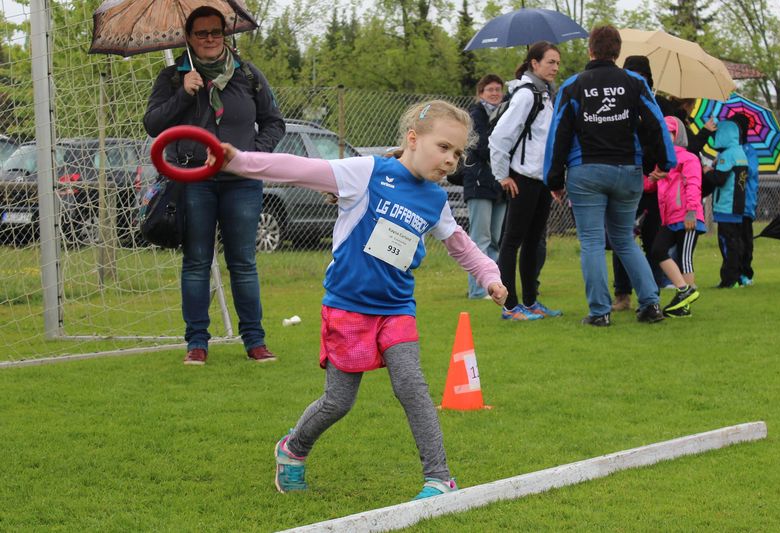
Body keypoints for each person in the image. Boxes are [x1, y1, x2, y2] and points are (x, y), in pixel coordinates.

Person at [206, 100, 509, 499]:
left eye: (457, 152)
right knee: (338, 401)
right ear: (413, 139)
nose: (451, 160)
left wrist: (489, 276)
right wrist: (239, 161)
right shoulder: (368, 173)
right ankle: (293, 449)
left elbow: (461, 245)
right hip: (347, 308)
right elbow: (299, 169)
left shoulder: (435, 200)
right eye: (443, 147)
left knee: (412, 387)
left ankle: (439, 479)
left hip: (397, 309)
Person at [143, 6, 286, 365]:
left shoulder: (248, 74)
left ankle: (255, 341)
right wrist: (183, 94)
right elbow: (153, 124)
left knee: (243, 262)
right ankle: (197, 343)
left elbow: (274, 122)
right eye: (202, 33)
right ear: (189, 38)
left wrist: (251, 155)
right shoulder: (174, 77)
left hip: (241, 182)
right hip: (193, 182)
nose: (210, 39)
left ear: (225, 34)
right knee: (196, 262)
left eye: (216, 32)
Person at [544, 25, 676, 326]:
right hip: (628, 171)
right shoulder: (635, 82)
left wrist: (554, 179)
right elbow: (656, 123)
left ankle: (600, 312)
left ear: (590, 50)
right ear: (618, 52)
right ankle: (650, 305)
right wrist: (665, 162)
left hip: (586, 171)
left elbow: (558, 134)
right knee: (625, 240)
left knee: (592, 242)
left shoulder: (573, 85)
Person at [489, 41, 563, 321]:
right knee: (512, 242)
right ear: (534, 63)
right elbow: (499, 137)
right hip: (522, 178)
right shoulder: (526, 95)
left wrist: (553, 179)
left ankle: (531, 302)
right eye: (550, 62)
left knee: (534, 242)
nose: (555, 68)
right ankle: (510, 307)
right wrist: (502, 175)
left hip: (541, 180)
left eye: (558, 63)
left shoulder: (546, 95)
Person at [611, 55, 672, 311]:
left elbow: (666, 141)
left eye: (642, 76)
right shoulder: (615, 104)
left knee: (652, 241)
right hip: (626, 178)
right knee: (622, 239)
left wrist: (660, 168)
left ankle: (651, 294)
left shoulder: (660, 106)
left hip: (654, 184)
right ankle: (622, 293)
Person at [649, 116, 704, 318]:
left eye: (669, 132)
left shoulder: (689, 158)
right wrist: (649, 179)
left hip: (687, 216)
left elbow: (693, 184)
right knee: (658, 251)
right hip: (669, 218)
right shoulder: (663, 162)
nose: (664, 136)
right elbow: (652, 185)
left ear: (677, 134)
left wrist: (691, 211)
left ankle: (684, 304)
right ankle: (685, 291)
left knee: (684, 258)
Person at [463, 74, 508, 299]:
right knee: (480, 239)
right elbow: (480, 145)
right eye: (490, 89)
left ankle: (494, 286)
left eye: (498, 89)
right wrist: (502, 148)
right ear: (481, 93)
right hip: (479, 182)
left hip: (500, 184)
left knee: (496, 239)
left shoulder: (506, 114)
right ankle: (478, 290)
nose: (495, 93)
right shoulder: (475, 115)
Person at [706, 119, 750, 288]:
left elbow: (719, 179)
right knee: (736, 243)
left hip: (726, 206)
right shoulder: (740, 153)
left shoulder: (727, 155)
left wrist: (707, 171)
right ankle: (738, 277)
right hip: (738, 206)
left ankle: (729, 280)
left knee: (726, 243)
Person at [730, 113, 759, 286]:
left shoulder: (749, 151)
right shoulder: (730, 150)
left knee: (746, 240)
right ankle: (733, 273)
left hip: (746, 204)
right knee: (733, 241)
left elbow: (751, 172)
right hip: (731, 204)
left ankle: (746, 273)